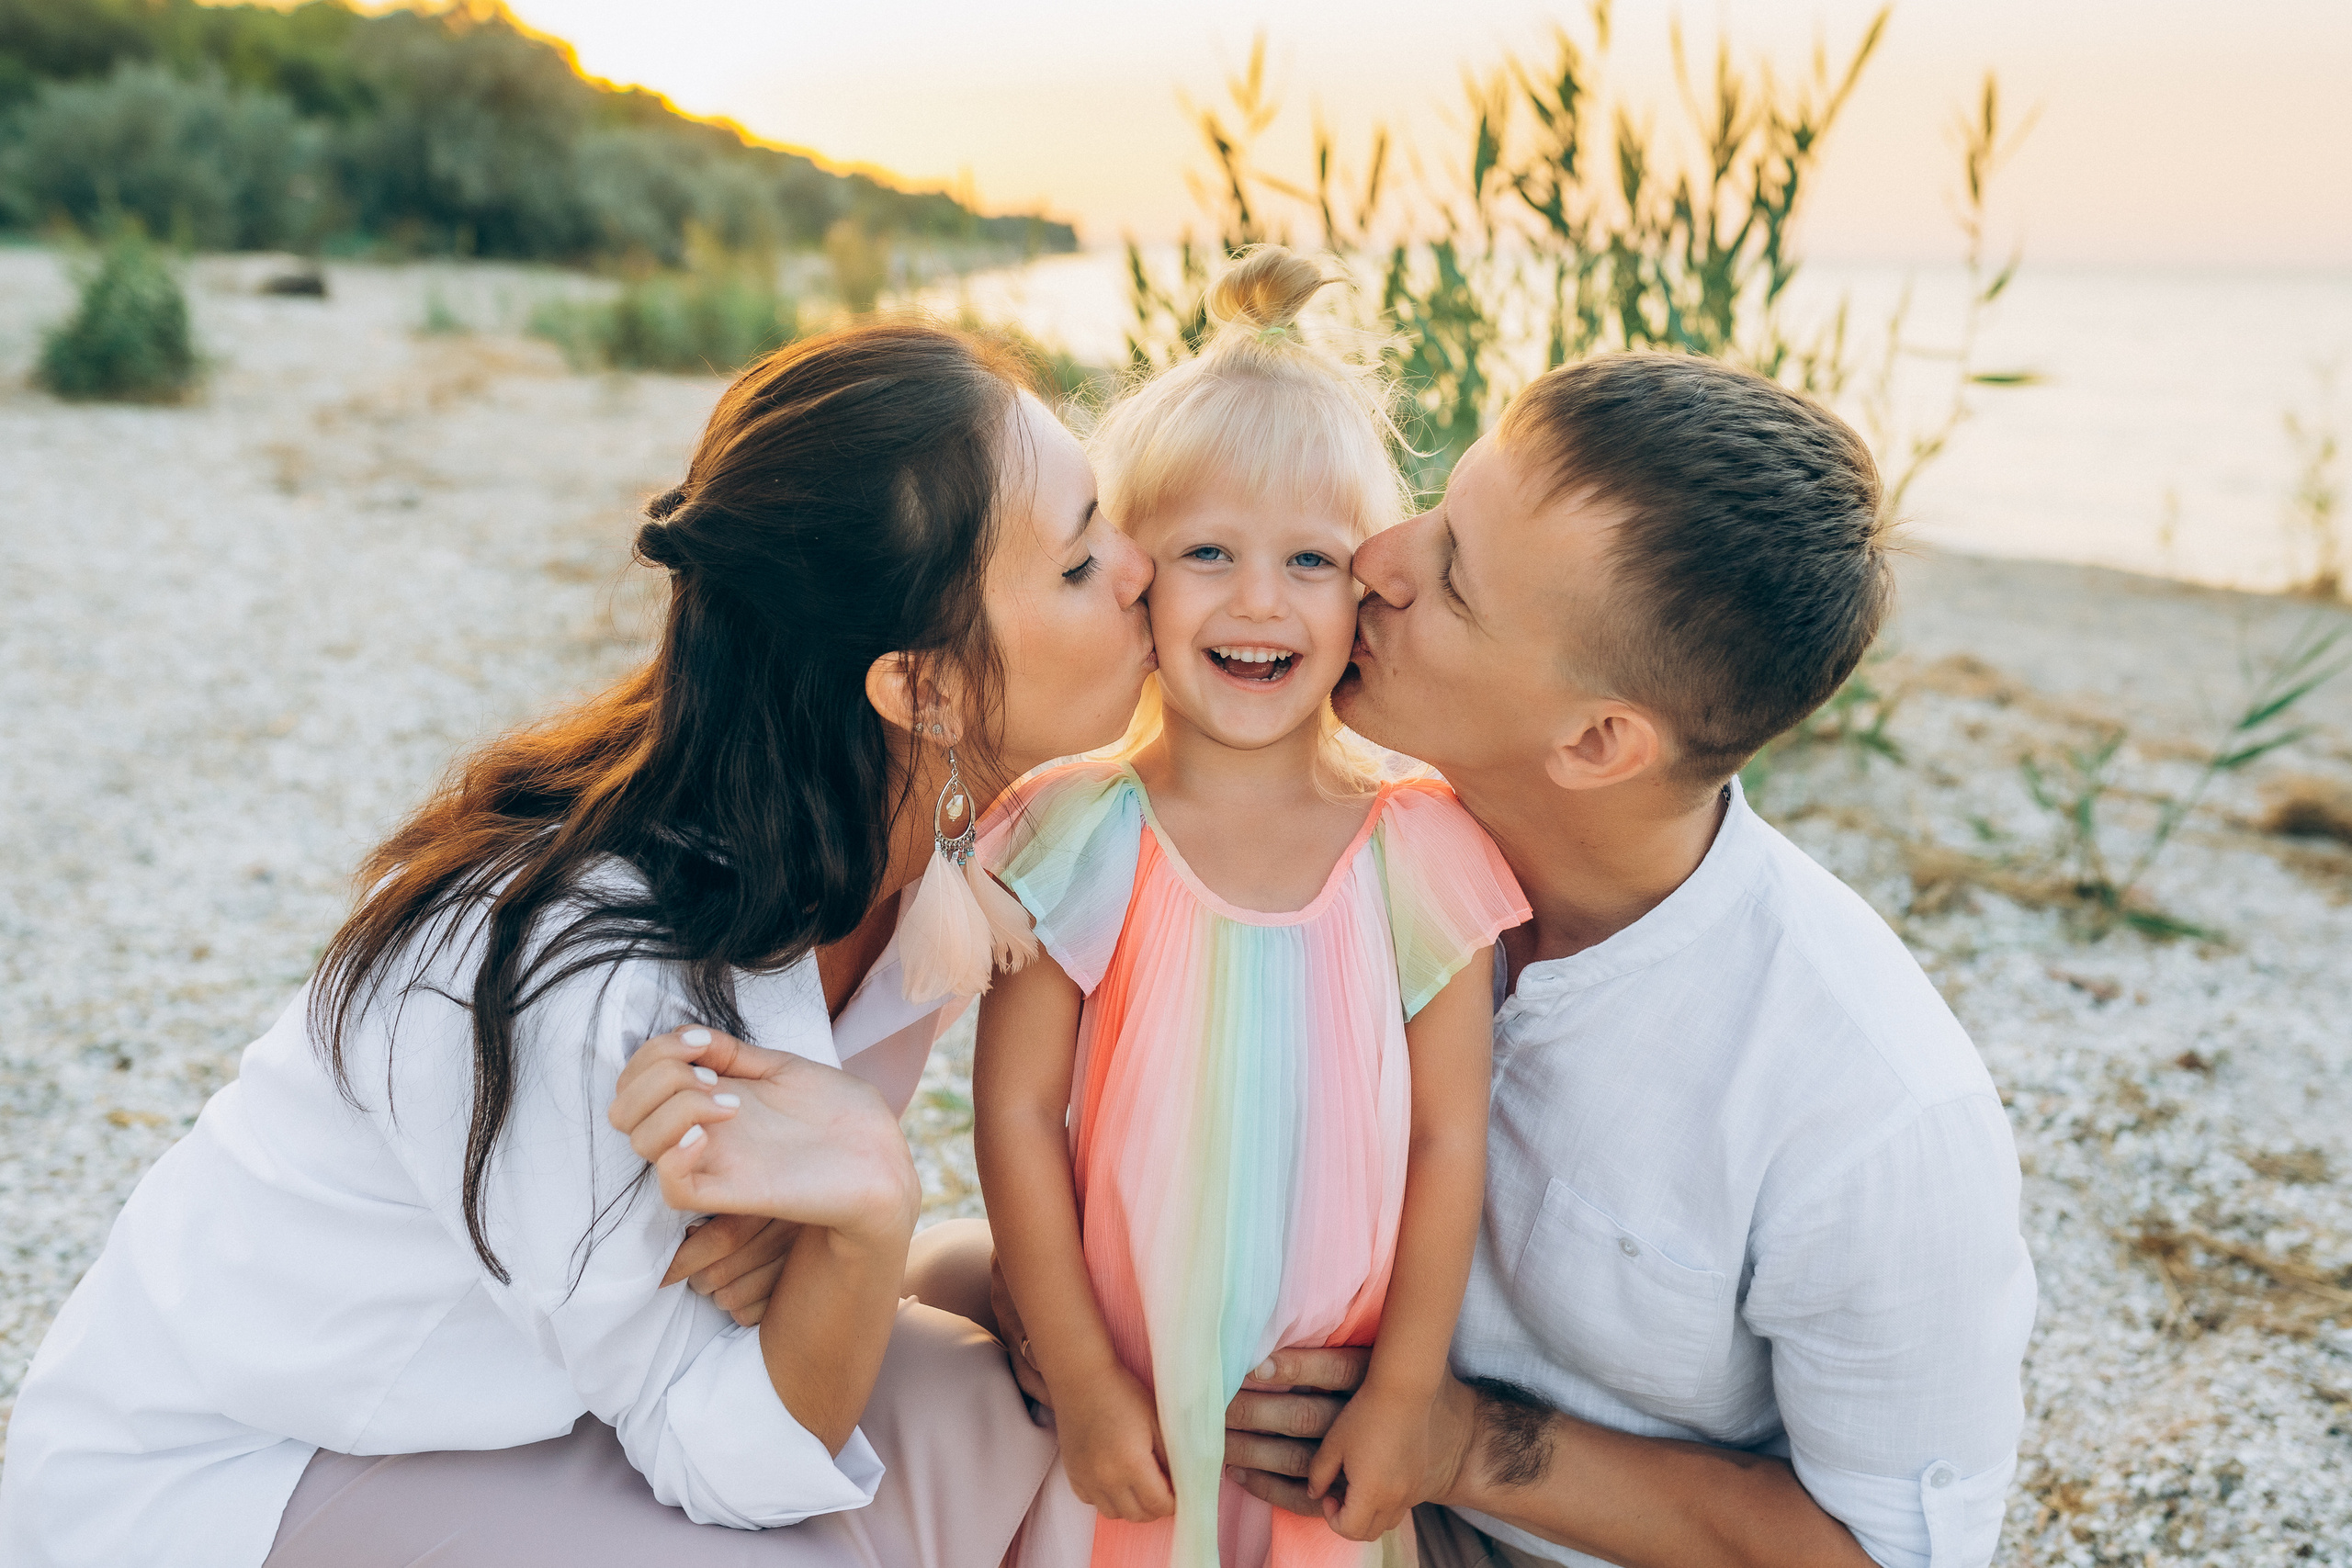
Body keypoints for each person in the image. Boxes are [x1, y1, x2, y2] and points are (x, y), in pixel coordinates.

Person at [0, 322, 1154, 1568]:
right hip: (244, 1470)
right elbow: (723, 1454)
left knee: (1052, 1402)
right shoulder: (590, 975)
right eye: (1082, 560)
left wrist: (828, 1250)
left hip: (542, 1400)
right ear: (920, 689)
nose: (1141, 567)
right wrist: (869, 1209)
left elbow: (740, 1299)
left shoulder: (913, 838)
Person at [1213, 352, 2039, 1568]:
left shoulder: (1876, 1112)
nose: (1377, 558)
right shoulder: (1344, 833)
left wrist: (1463, 1446)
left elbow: (1886, 1555)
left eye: (1451, 580)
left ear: (1599, 741)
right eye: (1439, 506)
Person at [971, 248, 1528, 1568]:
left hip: (1312, 1425)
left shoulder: (1420, 843)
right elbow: (1011, 1113)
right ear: (1136, 580)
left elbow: (1453, 1138)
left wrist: (1404, 1396)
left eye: (1312, 561)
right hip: (1124, 1395)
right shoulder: (1080, 828)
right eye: (1207, 552)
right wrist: (1085, 1378)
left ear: (1368, 588)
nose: (1260, 600)